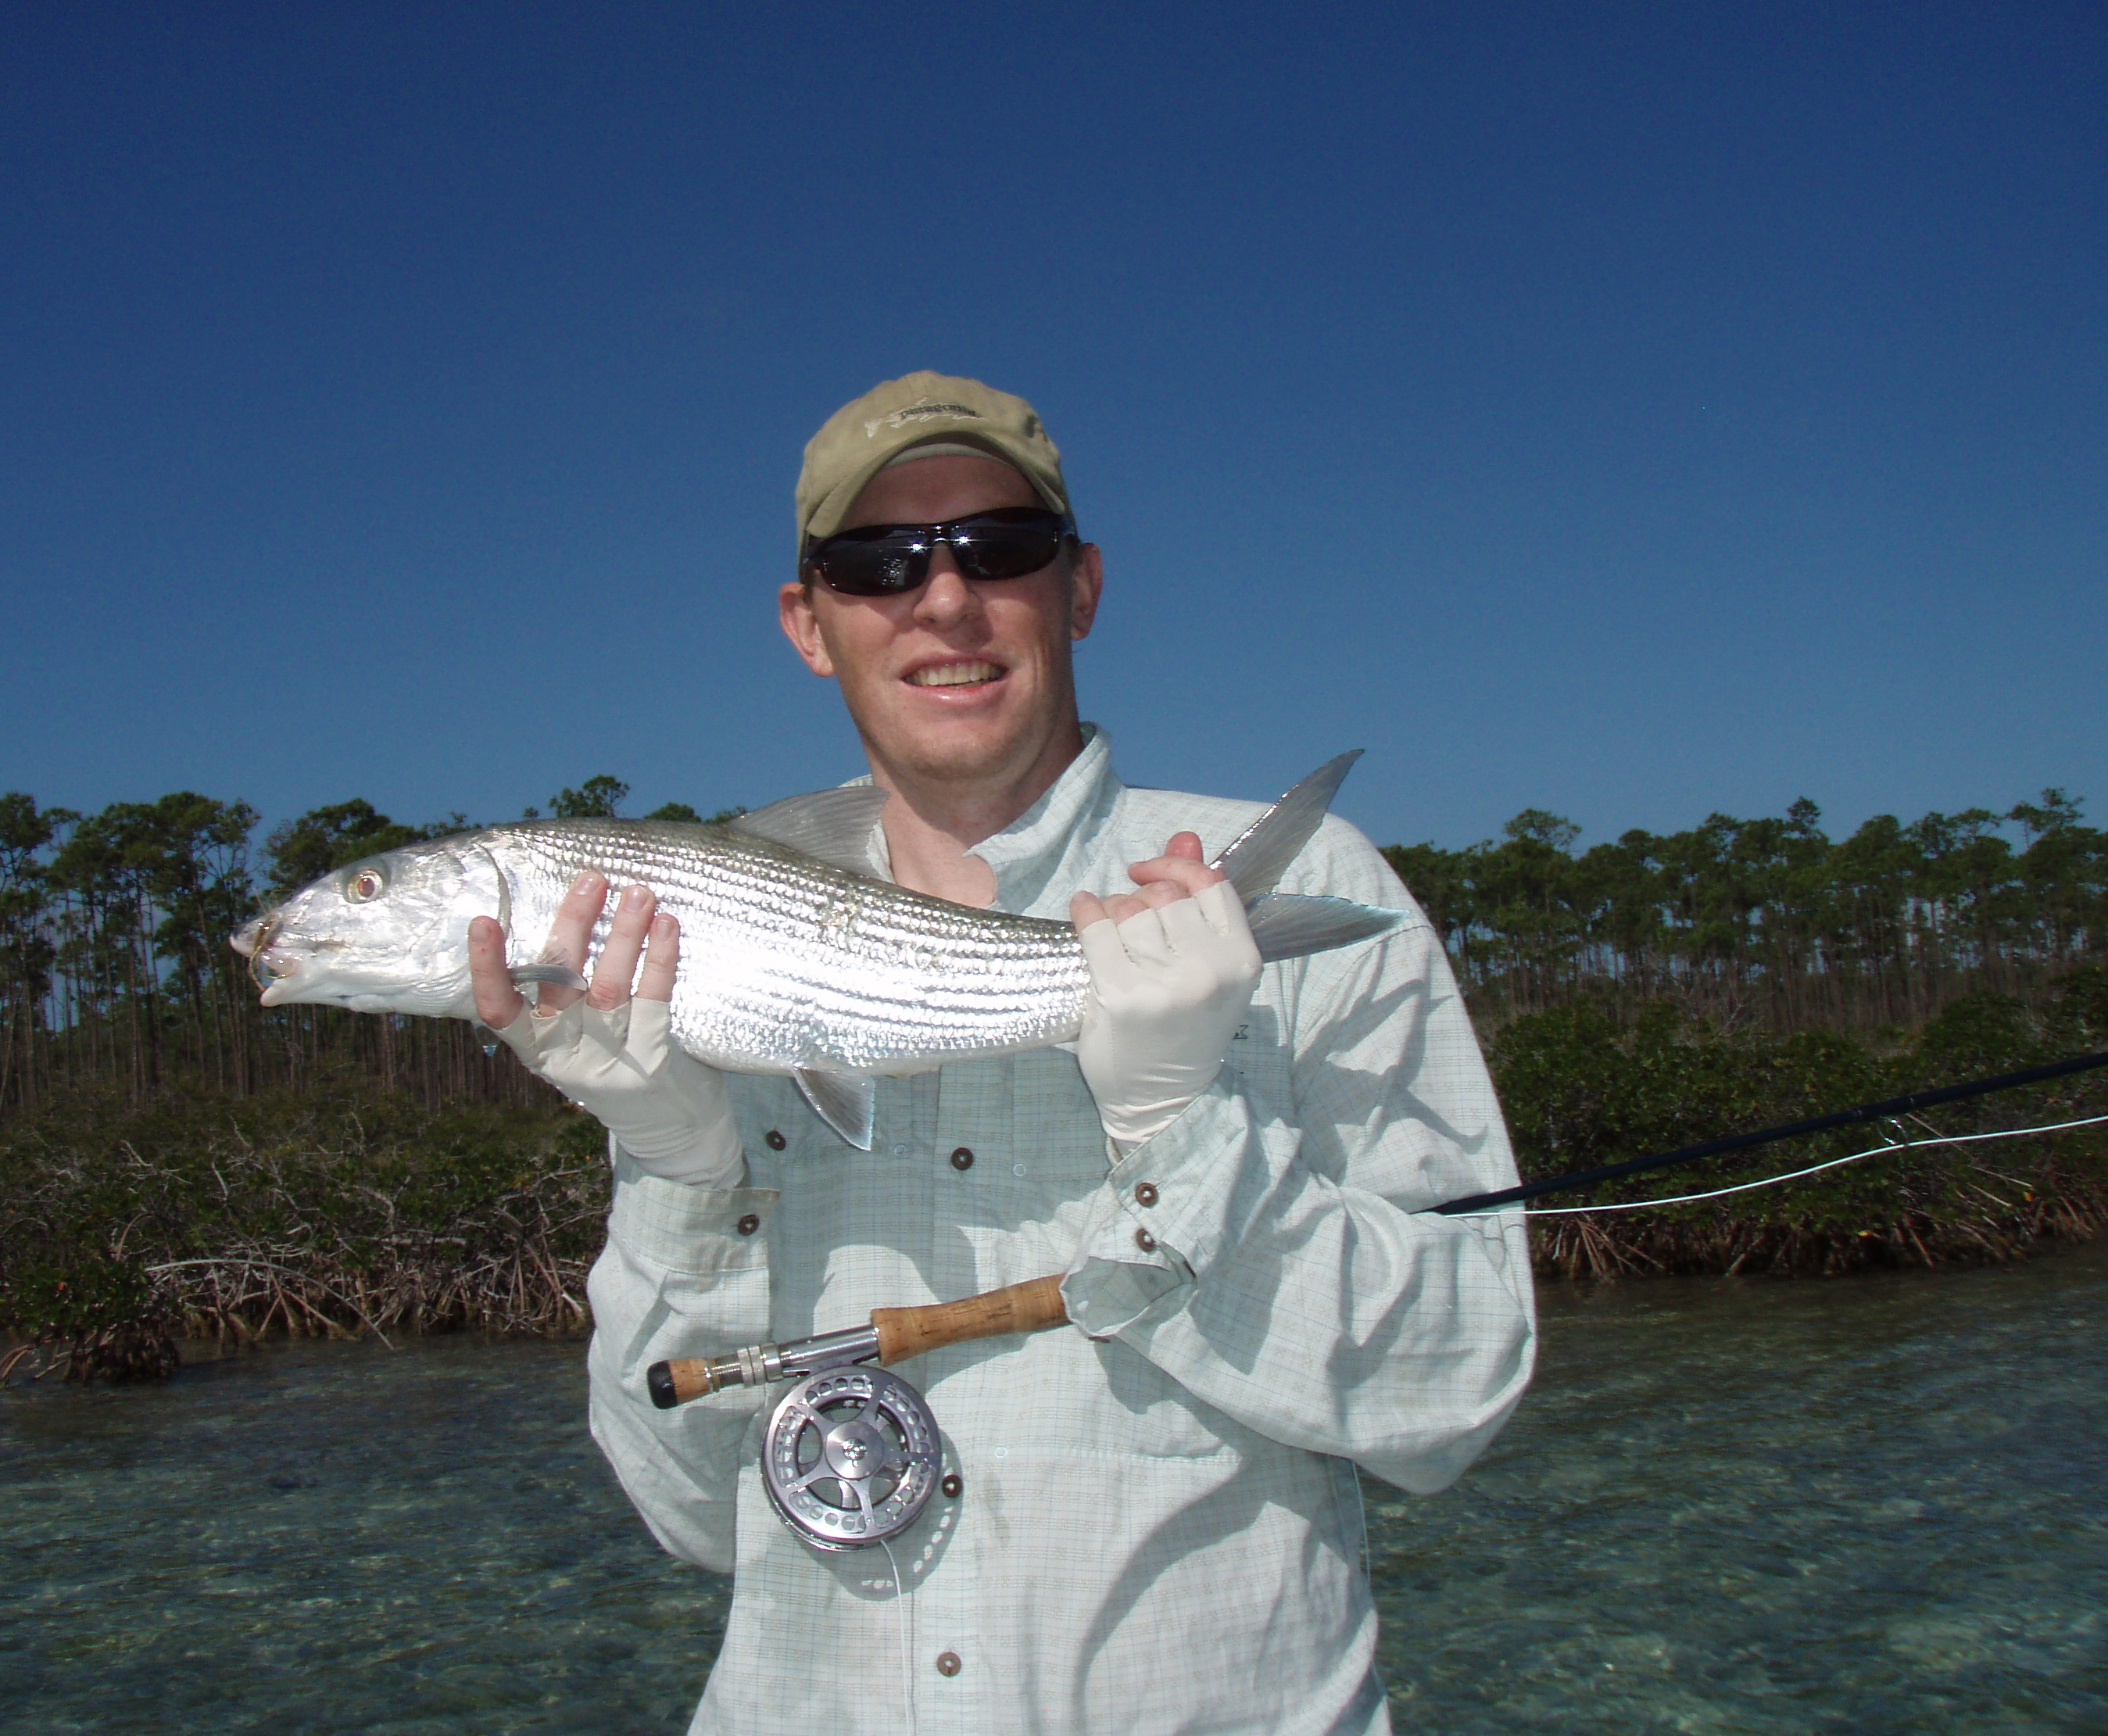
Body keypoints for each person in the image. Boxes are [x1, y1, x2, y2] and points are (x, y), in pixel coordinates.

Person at [467, 371, 1534, 1734]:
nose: (946, 599)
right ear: (809, 622)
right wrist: (678, 1167)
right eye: (877, 563)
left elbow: (1451, 1400)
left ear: (1078, 587)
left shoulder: (1296, 878)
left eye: (1000, 548)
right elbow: (691, 1516)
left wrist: (1181, 1140)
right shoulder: (671, 940)